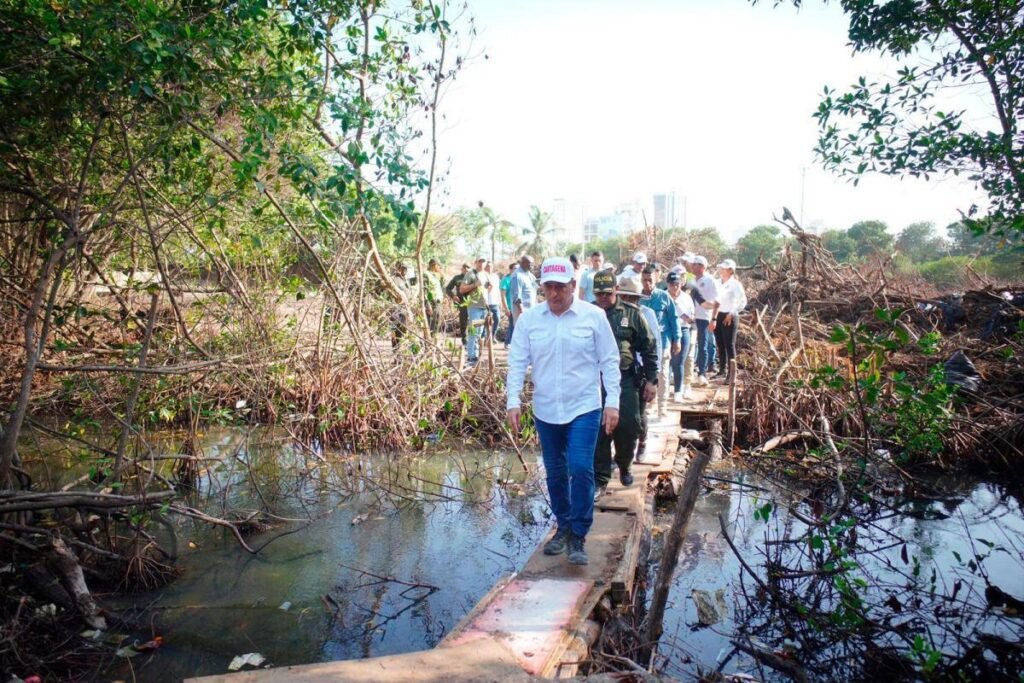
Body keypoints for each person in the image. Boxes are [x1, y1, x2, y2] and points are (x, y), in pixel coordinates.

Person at [507, 257, 621, 567]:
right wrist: (513, 400)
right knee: (555, 471)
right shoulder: (530, 320)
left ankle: (579, 535)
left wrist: (613, 401)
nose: (554, 293)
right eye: (549, 287)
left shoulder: (594, 317)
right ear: (542, 287)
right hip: (546, 408)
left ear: (573, 285)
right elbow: (517, 361)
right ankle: (563, 526)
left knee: (581, 468)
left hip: (584, 406)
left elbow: (610, 360)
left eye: (561, 287)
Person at [591, 271, 658, 498]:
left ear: (616, 290)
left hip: (625, 379)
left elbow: (649, 347)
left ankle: (624, 463)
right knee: (599, 429)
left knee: (629, 426)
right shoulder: (587, 314)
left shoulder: (631, 314)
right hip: (595, 380)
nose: (603, 298)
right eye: (598, 294)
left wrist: (652, 381)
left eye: (607, 293)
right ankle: (600, 478)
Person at [640, 266, 681, 419]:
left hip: (663, 341)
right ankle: (651, 402)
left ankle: (662, 406)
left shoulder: (664, 296)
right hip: (644, 344)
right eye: (644, 280)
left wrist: (677, 339)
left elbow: (673, 318)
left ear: (656, 279)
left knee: (663, 374)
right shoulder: (638, 297)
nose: (647, 283)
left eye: (650, 280)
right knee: (647, 374)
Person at [713, 259, 747, 382]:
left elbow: (742, 301)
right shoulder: (717, 282)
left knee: (729, 344)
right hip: (718, 314)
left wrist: (732, 313)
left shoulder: (735, 284)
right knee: (720, 343)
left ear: (730, 270)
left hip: (730, 316)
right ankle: (722, 370)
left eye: (724, 268)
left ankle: (732, 373)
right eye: (721, 268)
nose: (721, 270)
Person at [689, 255, 720, 386]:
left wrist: (714, 318)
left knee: (703, 345)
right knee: (690, 345)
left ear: (702, 266)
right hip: (690, 317)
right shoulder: (690, 280)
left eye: (696, 264)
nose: (693, 266)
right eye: (693, 264)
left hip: (704, 316)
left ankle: (702, 374)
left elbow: (717, 301)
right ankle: (688, 372)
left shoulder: (710, 280)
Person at [665, 271, 695, 400]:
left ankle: (678, 391)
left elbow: (692, 318)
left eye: (677, 284)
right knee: (666, 362)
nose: (674, 287)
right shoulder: (663, 296)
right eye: (672, 284)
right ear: (668, 284)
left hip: (683, 329)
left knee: (679, 362)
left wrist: (685, 316)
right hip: (667, 331)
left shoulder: (686, 298)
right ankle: (664, 390)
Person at [459, 257, 489, 365]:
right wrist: (475, 285)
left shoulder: (486, 274)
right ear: (475, 263)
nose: (481, 263)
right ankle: (471, 357)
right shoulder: (470, 274)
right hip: (474, 307)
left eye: (483, 261)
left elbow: (487, 289)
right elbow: (462, 289)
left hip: (484, 307)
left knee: (479, 333)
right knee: (473, 332)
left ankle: (476, 356)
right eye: (479, 261)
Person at [508, 255, 538, 329]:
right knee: (522, 332)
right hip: (522, 312)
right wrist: (522, 312)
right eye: (530, 264)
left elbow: (534, 290)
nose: (532, 266)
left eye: (533, 264)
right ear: (523, 263)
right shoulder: (517, 276)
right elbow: (516, 297)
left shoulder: (530, 275)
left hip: (531, 310)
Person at [445, 263, 470, 343]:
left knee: (473, 320)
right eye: (464, 268)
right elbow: (448, 288)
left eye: (468, 268)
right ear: (462, 269)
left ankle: (473, 339)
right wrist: (453, 296)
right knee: (463, 321)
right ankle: (464, 339)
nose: (466, 269)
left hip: (472, 302)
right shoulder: (457, 278)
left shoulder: (473, 277)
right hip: (462, 302)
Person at [481, 260, 502, 340]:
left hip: (495, 302)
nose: (489, 268)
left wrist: (500, 302)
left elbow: (498, 290)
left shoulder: (495, 277)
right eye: (487, 266)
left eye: (490, 266)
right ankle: (483, 337)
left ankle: (492, 336)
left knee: (497, 319)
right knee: (484, 321)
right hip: (485, 303)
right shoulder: (482, 276)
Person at [423, 258, 444, 336]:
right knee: (429, 324)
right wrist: (427, 304)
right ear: (434, 265)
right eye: (439, 266)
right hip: (431, 302)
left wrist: (442, 275)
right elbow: (424, 290)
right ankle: (428, 340)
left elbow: (441, 286)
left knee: (437, 323)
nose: (439, 267)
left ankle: (432, 339)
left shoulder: (436, 275)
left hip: (438, 302)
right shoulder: (426, 274)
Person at [499, 262, 517, 347]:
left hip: (518, 306)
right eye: (515, 268)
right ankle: (508, 342)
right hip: (510, 307)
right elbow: (503, 295)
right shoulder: (506, 280)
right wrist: (506, 308)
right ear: (510, 269)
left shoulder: (518, 279)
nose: (516, 270)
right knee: (512, 325)